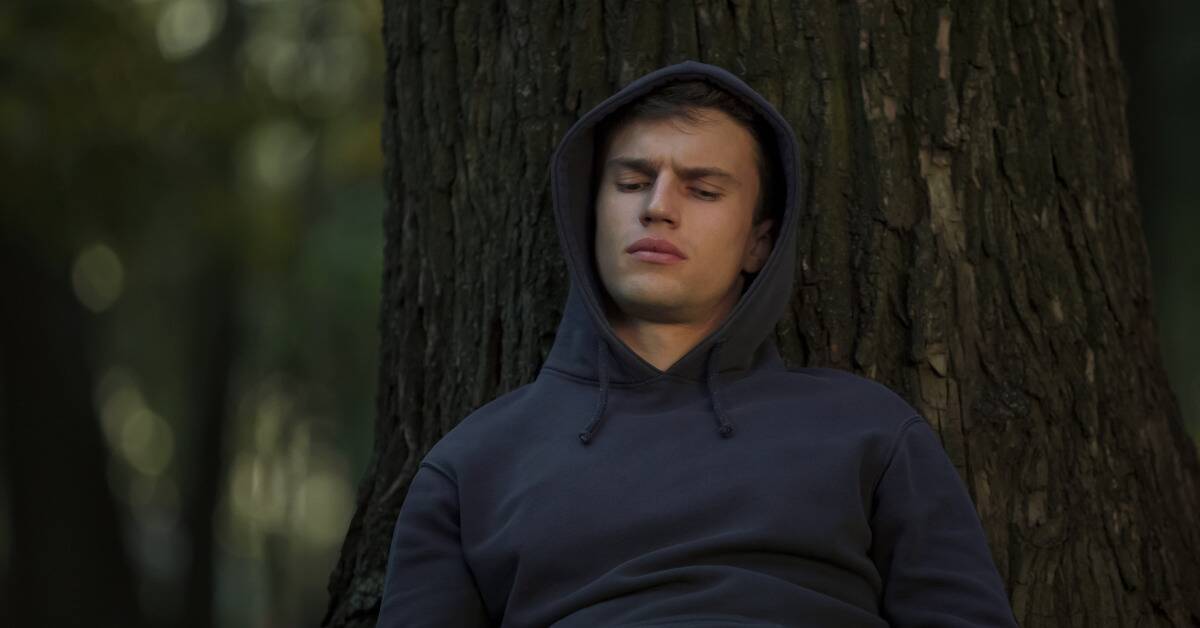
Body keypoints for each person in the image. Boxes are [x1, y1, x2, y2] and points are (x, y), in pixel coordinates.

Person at [376, 59, 1019, 628]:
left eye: (703, 190)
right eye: (631, 183)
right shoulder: (472, 467)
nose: (658, 207)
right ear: (589, 213)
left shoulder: (871, 432)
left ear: (758, 243)